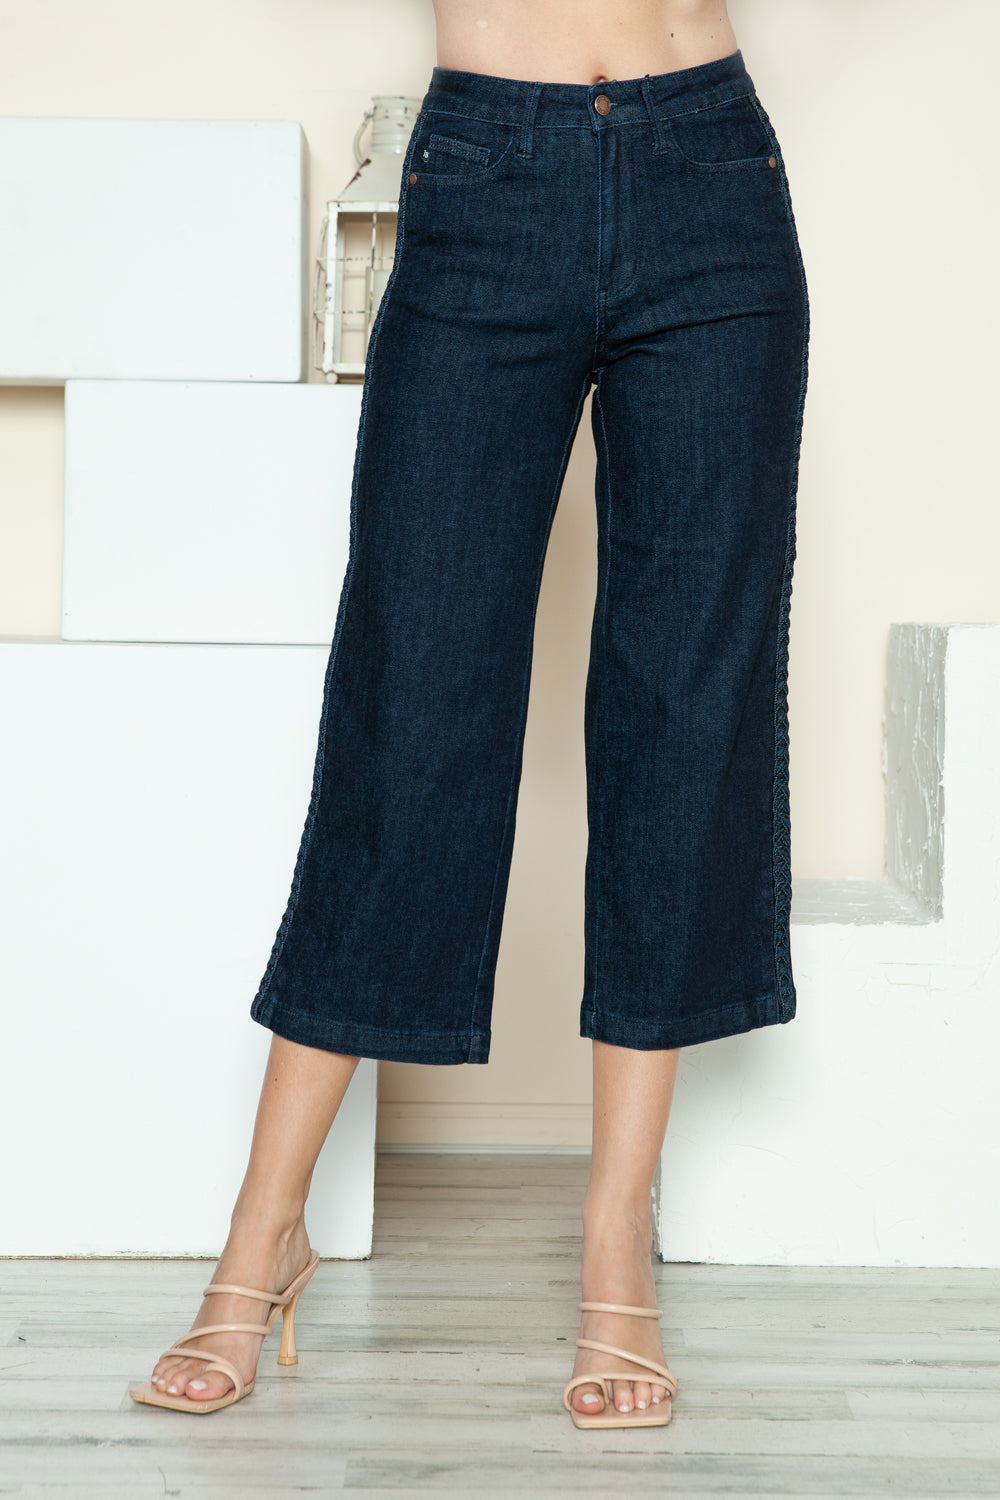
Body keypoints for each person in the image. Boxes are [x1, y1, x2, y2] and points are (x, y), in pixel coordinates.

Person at [129, 0, 809, 1429]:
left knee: (690, 708)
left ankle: (615, 1243)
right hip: (487, 173)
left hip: (711, 170)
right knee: (412, 702)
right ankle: (266, 1232)